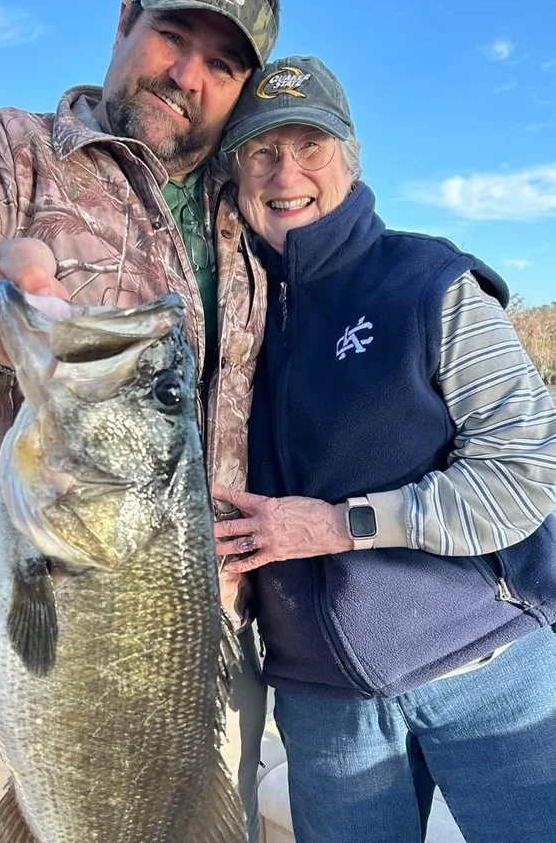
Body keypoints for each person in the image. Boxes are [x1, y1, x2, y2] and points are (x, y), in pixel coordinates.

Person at [0, 0, 280, 843]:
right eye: (174, 35)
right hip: (35, 624)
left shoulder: (252, 213)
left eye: (222, 64)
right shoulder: (18, 152)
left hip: (212, 641)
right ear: (125, 22)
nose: (187, 75)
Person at [213, 55, 556, 843]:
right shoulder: (229, 319)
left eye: (310, 146)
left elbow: (525, 470)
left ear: (351, 156)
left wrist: (341, 526)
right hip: (322, 706)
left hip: (491, 673)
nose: (285, 172)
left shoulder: (426, 280)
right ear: (236, 177)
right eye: (262, 151)